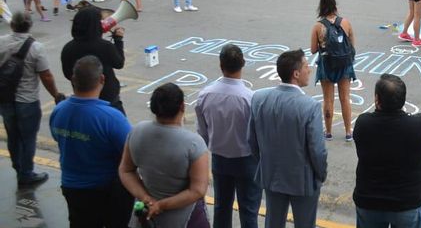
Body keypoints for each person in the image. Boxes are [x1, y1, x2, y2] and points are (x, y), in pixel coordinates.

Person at [50, 56, 132, 227]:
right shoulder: (111, 118)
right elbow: (131, 153)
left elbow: (58, 138)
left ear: (73, 80)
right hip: (106, 189)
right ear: (102, 79)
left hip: (72, 187)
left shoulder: (59, 111)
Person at [249, 50, 327, 228]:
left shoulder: (259, 98)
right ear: (296, 74)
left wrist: (265, 163)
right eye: (306, 66)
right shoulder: (310, 106)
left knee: (273, 222)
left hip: (271, 175)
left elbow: (251, 141)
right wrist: (320, 174)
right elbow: (317, 150)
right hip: (302, 180)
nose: (310, 69)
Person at [119, 83, 210, 227]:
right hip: (183, 218)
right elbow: (198, 190)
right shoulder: (193, 143)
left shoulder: (137, 131)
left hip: (145, 215)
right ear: (182, 106)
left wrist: (145, 198)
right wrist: (161, 205)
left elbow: (126, 171)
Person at [353, 74, 421, 227]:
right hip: (407, 203)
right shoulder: (420, 125)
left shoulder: (363, 123)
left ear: (377, 99)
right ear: (403, 100)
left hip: (369, 201)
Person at [195, 44, 260, 228]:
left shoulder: (205, 95)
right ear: (243, 64)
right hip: (246, 159)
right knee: (249, 210)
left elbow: (202, 132)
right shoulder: (250, 98)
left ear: (220, 65)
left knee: (221, 207)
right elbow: (257, 135)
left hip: (219, 157)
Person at [0, 12, 64, 187]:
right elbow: (46, 76)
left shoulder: (1, 41)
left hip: (5, 98)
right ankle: (26, 173)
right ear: (29, 25)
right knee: (28, 138)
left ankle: (18, 167)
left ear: (12, 25)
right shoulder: (36, 48)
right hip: (27, 101)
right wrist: (56, 94)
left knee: (12, 136)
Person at [61, 7, 127, 114]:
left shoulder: (68, 48)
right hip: (108, 99)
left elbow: (67, 73)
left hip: (81, 98)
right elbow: (119, 63)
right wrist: (118, 40)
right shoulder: (105, 46)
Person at [310, 0, 356, 140]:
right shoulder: (345, 23)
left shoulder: (318, 26)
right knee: (345, 98)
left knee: (328, 99)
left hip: (327, 64)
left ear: (321, 7)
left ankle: (328, 132)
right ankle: (348, 132)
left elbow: (313, 49)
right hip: (344, 64)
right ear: (335, 6)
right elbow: (352, 45)